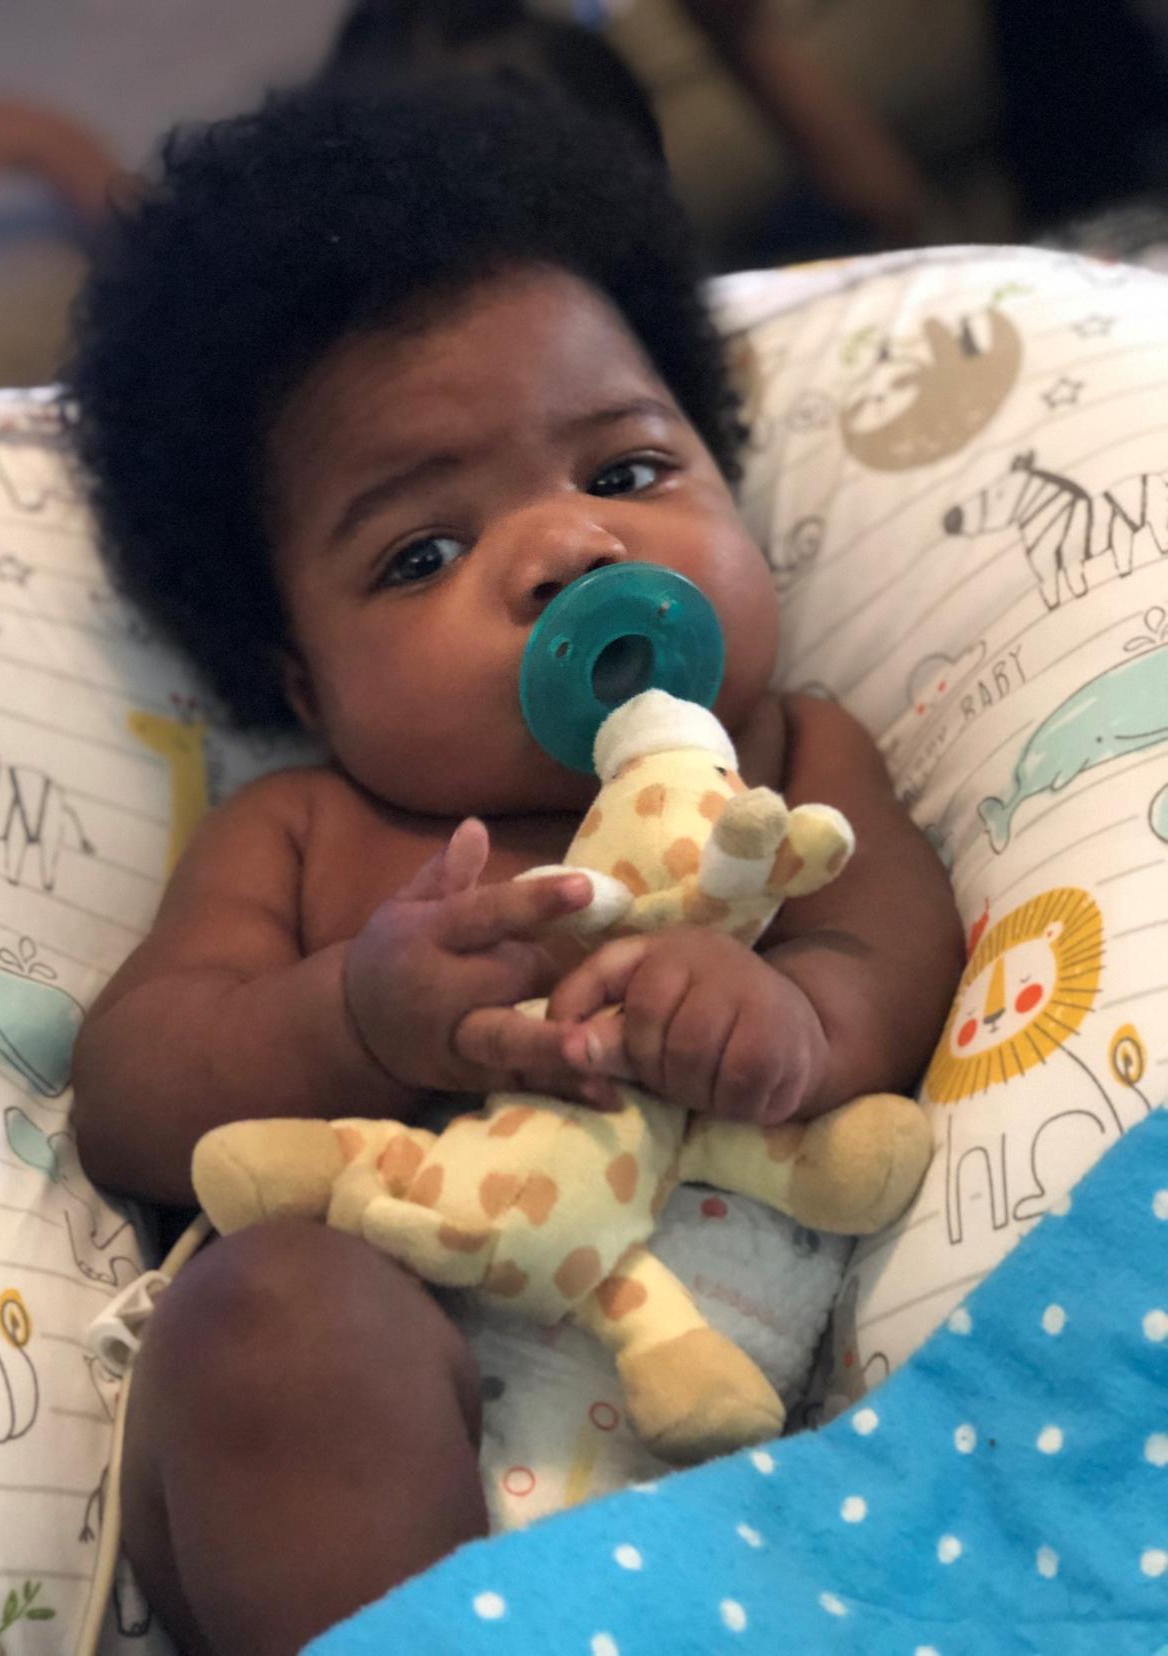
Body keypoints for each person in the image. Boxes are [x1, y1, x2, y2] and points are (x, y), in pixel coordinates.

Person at [64, 76, 963, 1656]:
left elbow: (894, 928)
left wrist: (799, 1012)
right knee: (275, 1314)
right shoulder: (308, 832)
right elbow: (133, 1093)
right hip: (358, 1484)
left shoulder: (785, 756)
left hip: (718, 1480)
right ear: (302, 684)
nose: (563, 549)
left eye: (623, 473)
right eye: (420, 551)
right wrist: (353, 1017)